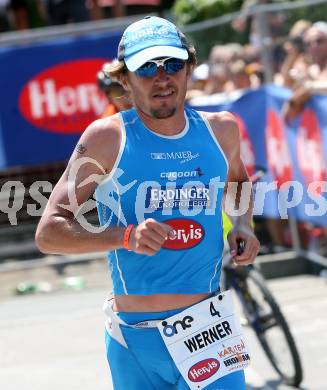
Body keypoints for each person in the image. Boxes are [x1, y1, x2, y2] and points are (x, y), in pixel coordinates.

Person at [35, 16, 260, 389]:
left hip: (209, 330)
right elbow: (49, 233)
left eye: (172, 65)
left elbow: (238, 182)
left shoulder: (221, 129)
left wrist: (242, 225)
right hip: (135, 339)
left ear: (189, 70)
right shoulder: (108, 137)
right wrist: (124, 237)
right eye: (146, 68)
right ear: (124, 79)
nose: (162, 78)